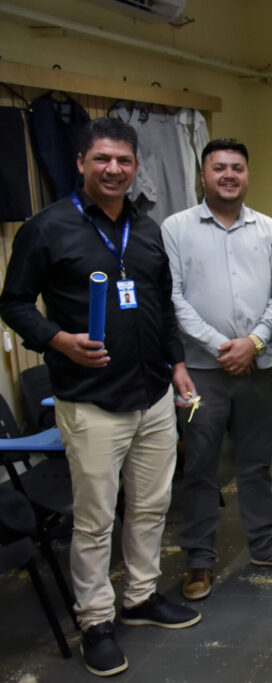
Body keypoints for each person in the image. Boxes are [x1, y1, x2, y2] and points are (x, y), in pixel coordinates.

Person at [0, 117, 201, 677]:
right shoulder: (47, 228)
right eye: (102, 159)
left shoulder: (147, 228)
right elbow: (13, 303)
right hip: (90, 400)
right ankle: (95, 620)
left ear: (135, 167)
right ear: (82, 163)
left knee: (152, 505)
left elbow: (161, 306)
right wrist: (58, 339)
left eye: (124, 161)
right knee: (93, 519)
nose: (114, 169)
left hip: (153, 394)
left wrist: (178, 366)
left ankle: (140, 596)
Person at [161, 138, 272, 603]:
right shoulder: (176, 228)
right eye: (218, 167)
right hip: (203, 371)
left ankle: (265, 544)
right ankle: (199, 559)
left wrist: (253, 343)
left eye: (237, 167)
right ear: (203, 175)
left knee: (258, 463)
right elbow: (172, 297)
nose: (228, 175)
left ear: (247, 175)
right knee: (201, 467)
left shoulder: (269, 229)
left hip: (258, 368)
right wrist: (222, 347)